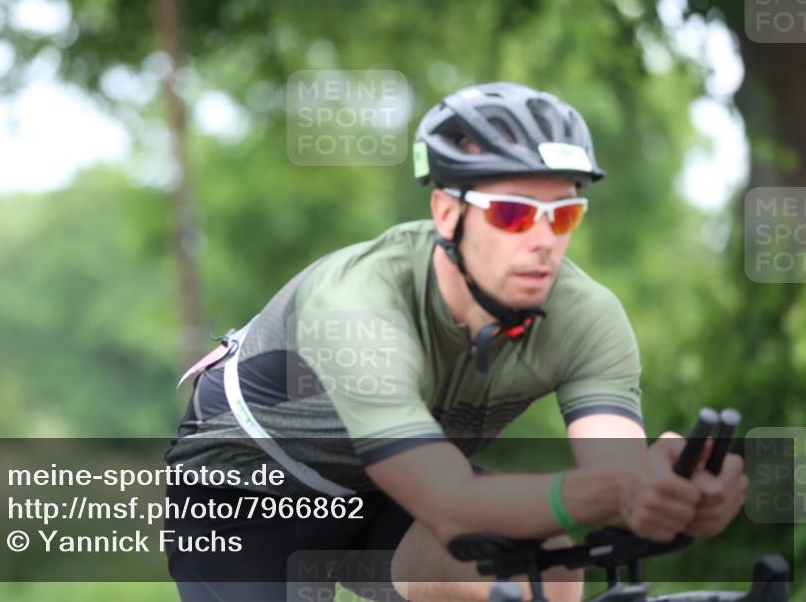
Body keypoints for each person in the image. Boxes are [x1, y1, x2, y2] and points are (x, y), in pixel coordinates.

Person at [165, 82, 748, 602]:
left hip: (381, 493)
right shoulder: (359, 300)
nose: (543, 242)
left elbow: (616, 469)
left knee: (538, 565)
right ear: (447, 212)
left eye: (563, 215)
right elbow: (447, 499)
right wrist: (606, 492)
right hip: (246, 489)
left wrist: (664, 493)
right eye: (515, 214)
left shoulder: (586, 315)